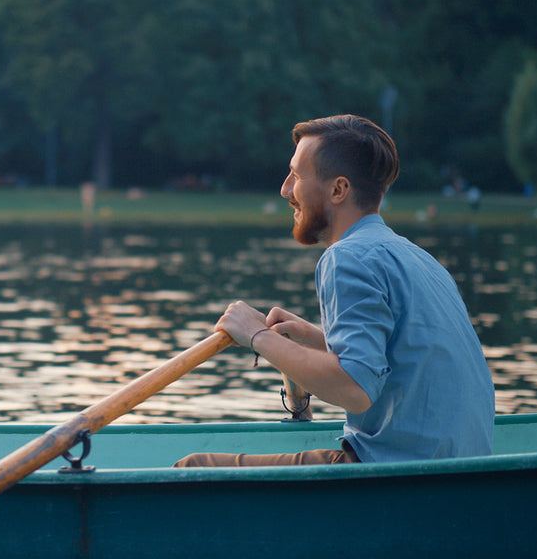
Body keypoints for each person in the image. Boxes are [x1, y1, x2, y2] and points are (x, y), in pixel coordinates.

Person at [175, 115, 494, 467]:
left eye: (296, 175)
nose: (284, 189)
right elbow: (397, 363)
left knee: (193, 470)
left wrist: (257, 336)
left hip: (399, 476)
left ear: (339, 190)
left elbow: (355, 389)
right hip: (461, 471)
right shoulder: (418, 258)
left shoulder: (347, 257)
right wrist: (317, 339)